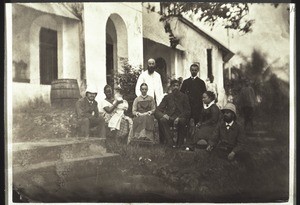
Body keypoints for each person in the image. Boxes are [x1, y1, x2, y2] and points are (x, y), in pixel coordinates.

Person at [155, 79, 191, 148]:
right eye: (174, 86)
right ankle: (170, 141)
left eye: (177, 85)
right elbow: (157, 110)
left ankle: (179, 143)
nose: (175, 87)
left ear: (180, 87)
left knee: (183, 121)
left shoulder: (184, 97)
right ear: (171, 87)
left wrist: (179, 117)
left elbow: (188, 111)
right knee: (162, 120)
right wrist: (164, 115)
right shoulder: (167, 97)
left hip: (180, 118)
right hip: (170, 118)